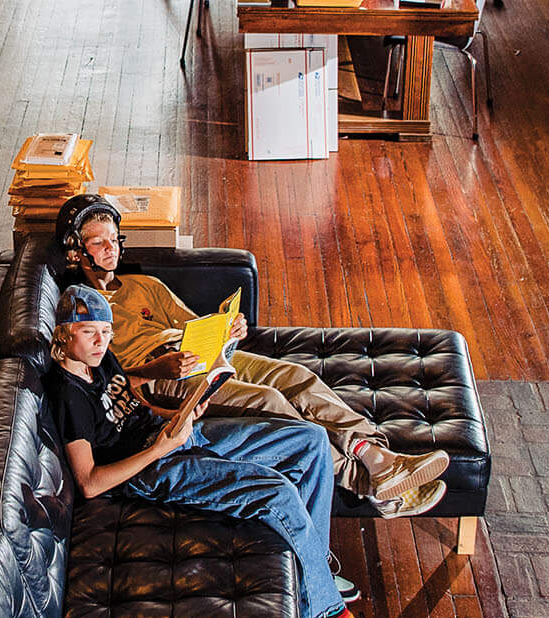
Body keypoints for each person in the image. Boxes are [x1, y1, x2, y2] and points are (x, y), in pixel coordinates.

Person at [44, 283, 414, 618]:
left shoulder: (99, 360)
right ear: (65, 334)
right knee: (277, 493)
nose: (101, 341)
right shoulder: (68, 395)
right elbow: (89, 483)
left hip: (174, 433)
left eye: (106, 330)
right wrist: (159, 448)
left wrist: (181, 410)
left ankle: (314, 566)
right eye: (89, 332)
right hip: (151, 469)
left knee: (310, 441)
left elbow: (131, 397)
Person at [52, 194, 450, 516]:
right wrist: (159, 367)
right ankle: (366, 482)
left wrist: (227, 327)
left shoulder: (145, 285)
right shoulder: (80, 313)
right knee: (269, 401)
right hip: (163, 376)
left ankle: (377, 456)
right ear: (76, 251)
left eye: (114, 239)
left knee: (295, 377)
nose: (111, 249)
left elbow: (194, 323)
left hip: (198, 351)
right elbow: (110, 378)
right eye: (98, 242)